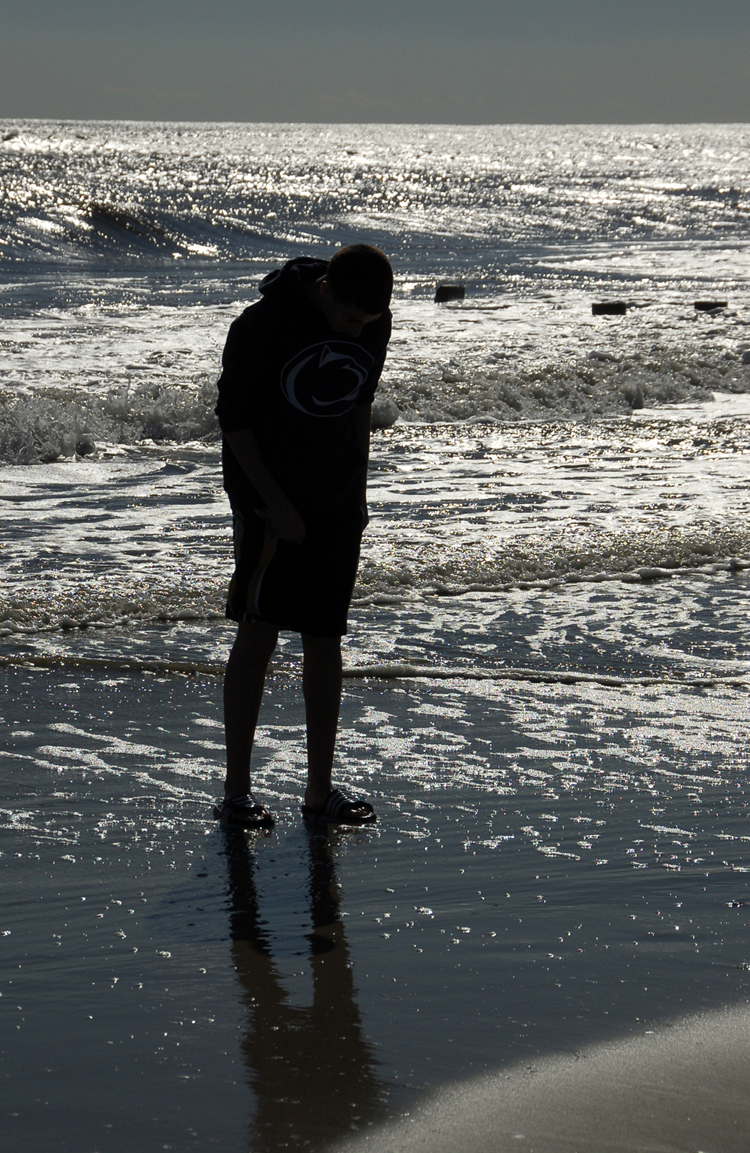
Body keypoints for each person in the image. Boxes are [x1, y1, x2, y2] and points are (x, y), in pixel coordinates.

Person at [214, 243, 393, 829]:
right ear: (324, 291)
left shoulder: (374, 317)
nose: (355, 331)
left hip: (334, 498)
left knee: (324, 636)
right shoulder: (261, 325)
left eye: (364, 324)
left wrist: (358, 494)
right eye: (347, 319)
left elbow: (360, 405)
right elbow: (234, 423)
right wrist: (273, 503)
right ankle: (236, 792)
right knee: (259, 631)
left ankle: (319, 792)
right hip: (269, 501)